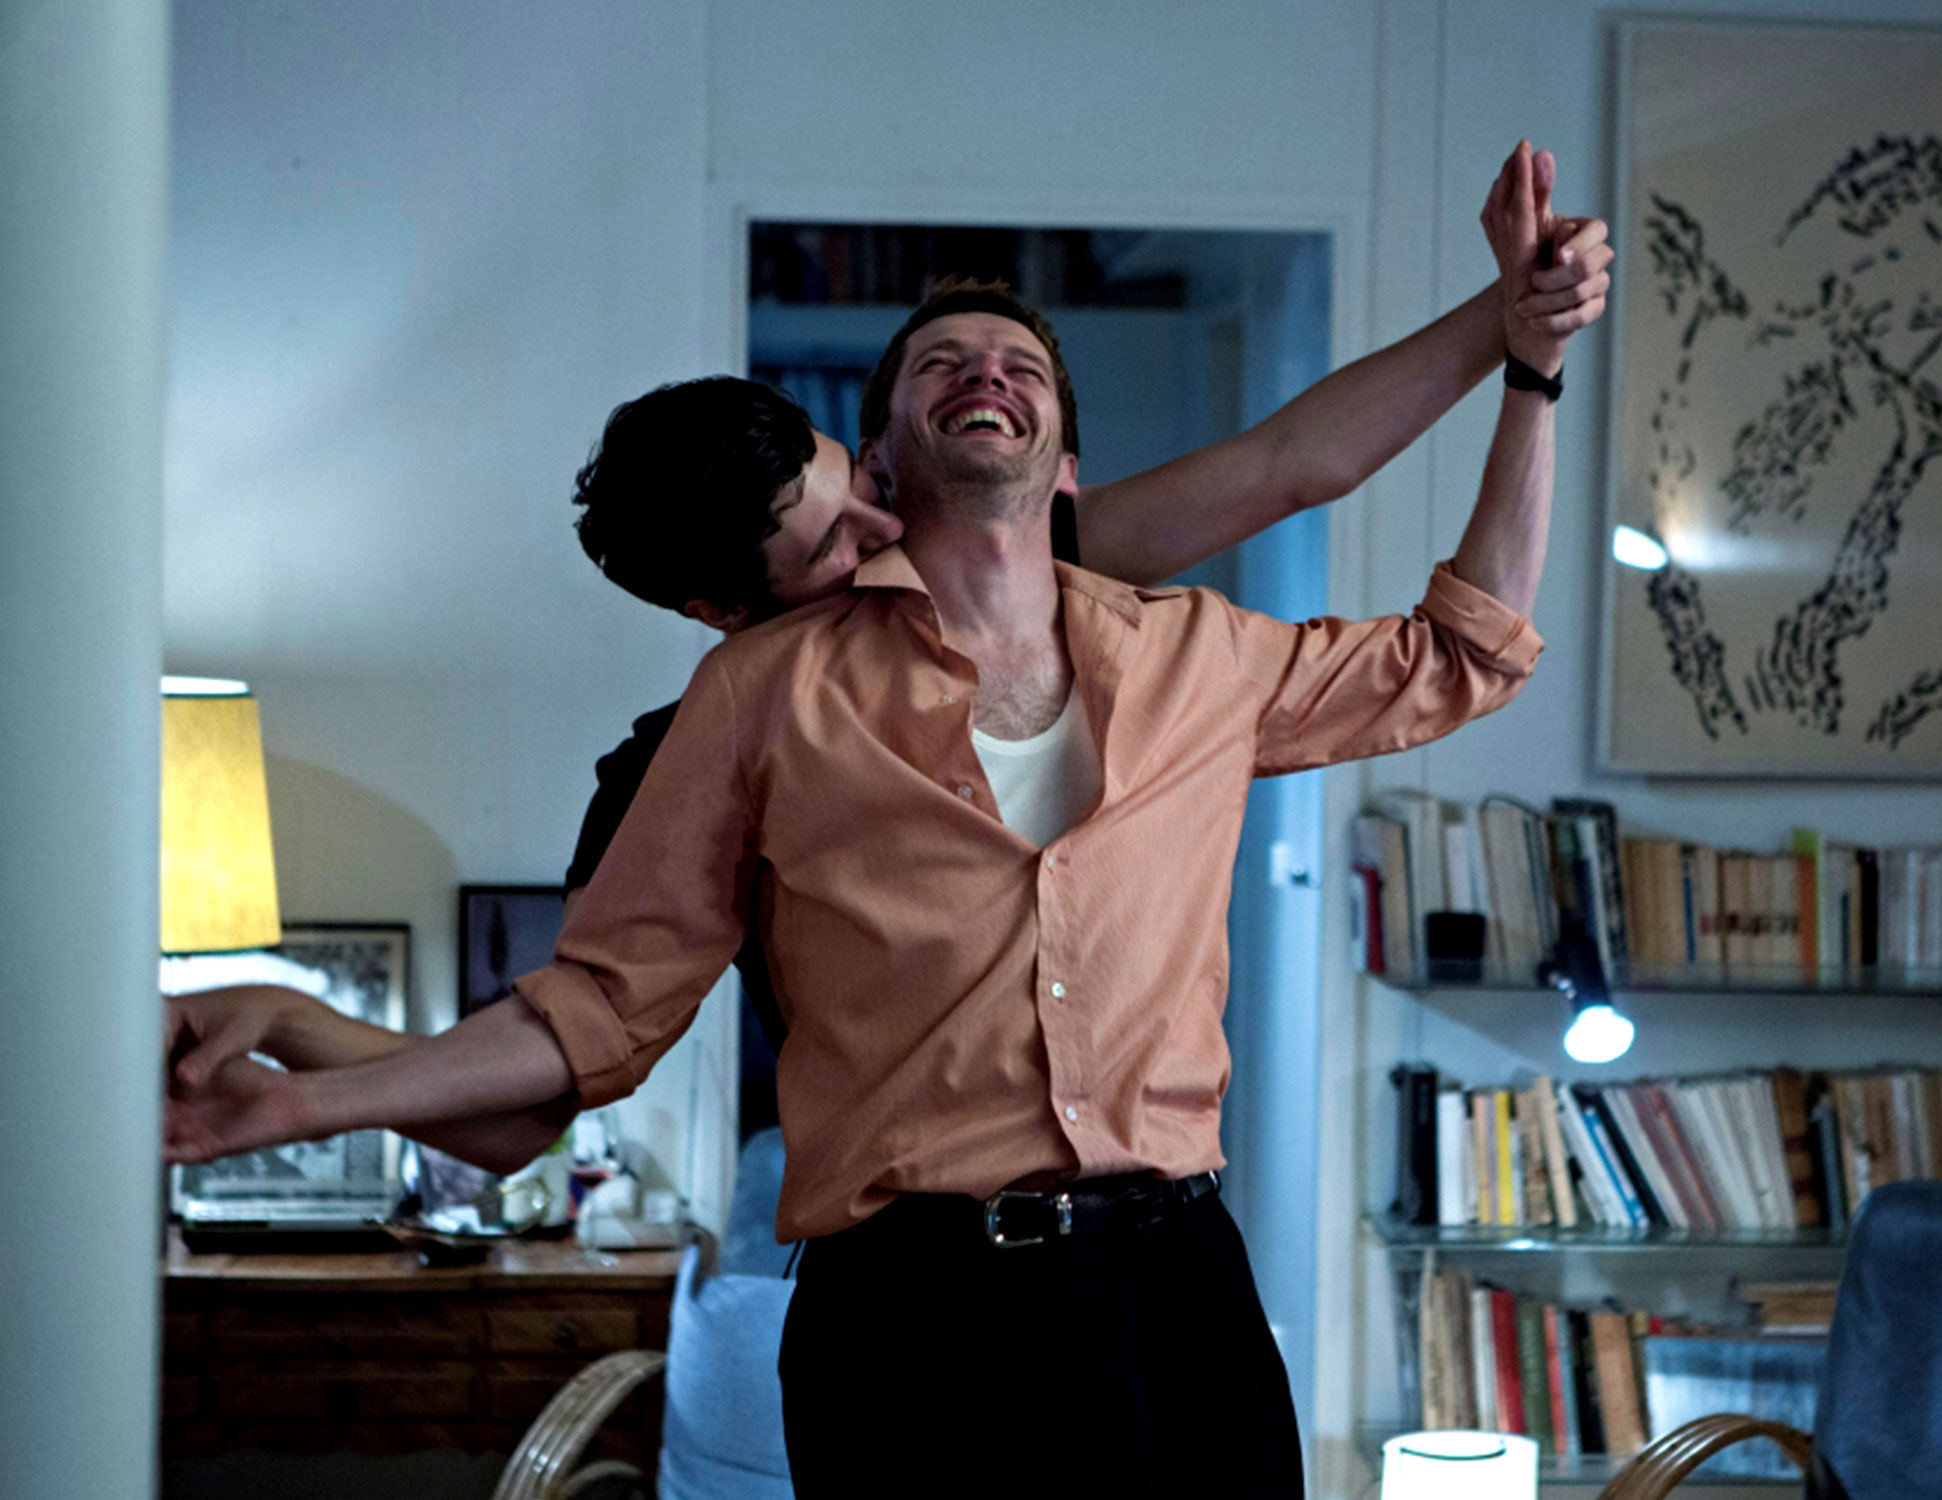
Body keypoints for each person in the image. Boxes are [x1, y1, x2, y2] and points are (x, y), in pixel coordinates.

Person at [167, 142, 1603, 1498]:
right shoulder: (741, 710)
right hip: (914, 1314)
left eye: (852, 498)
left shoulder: (1173, 643)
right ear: (732, 600)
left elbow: (1335, 506)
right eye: (835, 540)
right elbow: (567, 1052)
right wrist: (302, 1069)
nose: (868, 545)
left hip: (1171, 1282)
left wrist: (1524, 344)